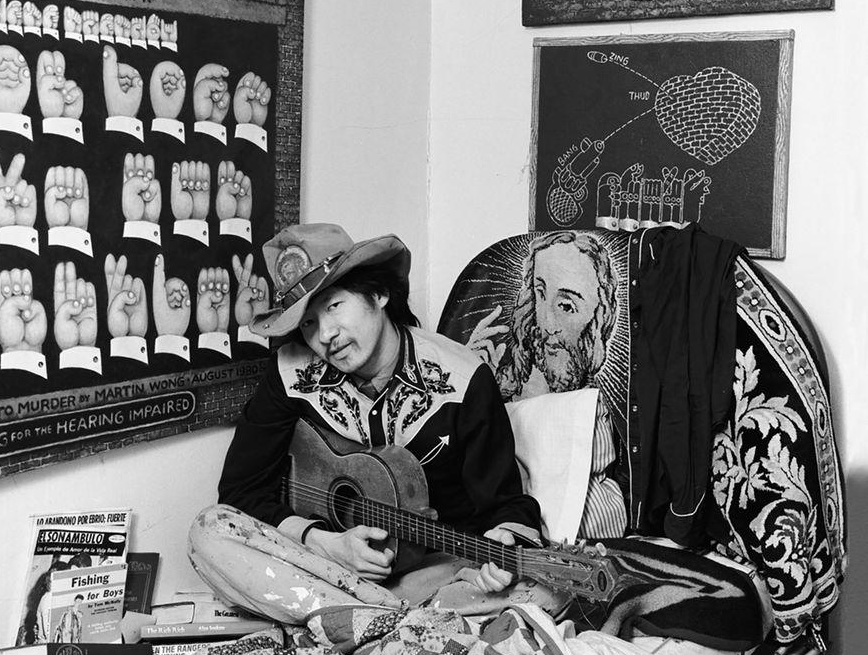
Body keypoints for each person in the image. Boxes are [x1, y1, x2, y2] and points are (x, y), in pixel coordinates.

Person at [189, 223, 556, 625]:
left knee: (542, 591)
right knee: (208, 530)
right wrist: (325, 543)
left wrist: (503, 543)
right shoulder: (290, 373)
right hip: (323, 569)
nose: (325, 334)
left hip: (434, 573)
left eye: (333, 306)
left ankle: (353, 619)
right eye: (308, 323)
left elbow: (505, 503)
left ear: (378, 294)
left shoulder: (464, 379)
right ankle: (385, 621)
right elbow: (239, 492)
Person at [494, 231, 618, 401]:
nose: (548, 325)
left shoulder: (602, 411)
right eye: (540, 294)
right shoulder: (505, 384)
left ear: (599, 314)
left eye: (566, 306)